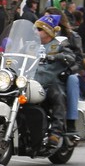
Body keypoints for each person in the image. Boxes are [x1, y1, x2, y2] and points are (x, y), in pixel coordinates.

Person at [31, 14, 76, 144]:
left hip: (50, 80)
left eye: (39, 29)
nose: (36, 32)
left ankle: (56, 133)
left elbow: (71, 57)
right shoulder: (31, 45)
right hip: (30, 79)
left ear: (49, 32)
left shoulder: (59, 44)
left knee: (58, 96)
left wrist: (55, 57)